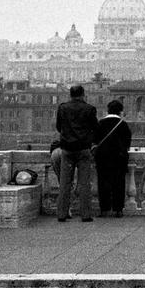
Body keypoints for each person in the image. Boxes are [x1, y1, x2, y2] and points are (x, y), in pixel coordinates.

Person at [54, 84, 98, 223]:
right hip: (84, 149)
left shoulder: (62, 108)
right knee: (84, 183)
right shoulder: (89, 109)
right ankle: (85, 214)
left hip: (67, 149)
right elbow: (95, 128)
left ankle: (62, 214)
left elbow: (58, 126)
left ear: (70, 95)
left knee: (65, 183)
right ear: (83, 94)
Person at [93, 100, 132, 218]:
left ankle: (104, 209)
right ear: (120, 111)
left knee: (103, 183)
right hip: (119, 158)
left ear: (107, 110)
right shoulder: (123, 124)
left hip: (103, 158)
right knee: (119, 183)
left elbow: (94, 140)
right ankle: (118, 209)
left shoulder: (100, 123)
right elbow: (127, 143)